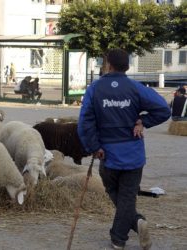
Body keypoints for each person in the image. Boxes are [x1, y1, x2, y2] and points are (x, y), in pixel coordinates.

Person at [77, 49, 170, 250]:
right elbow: (164, 109)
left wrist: (93, 146)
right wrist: (143, 121)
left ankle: (119, 238)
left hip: (107, 154)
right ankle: (134, 222)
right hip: (134, 155)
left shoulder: (95, 89)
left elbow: (84, 122)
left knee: (113, 191)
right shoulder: (136, 88)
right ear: (127, 65)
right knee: (127, 196)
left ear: (108, 64)